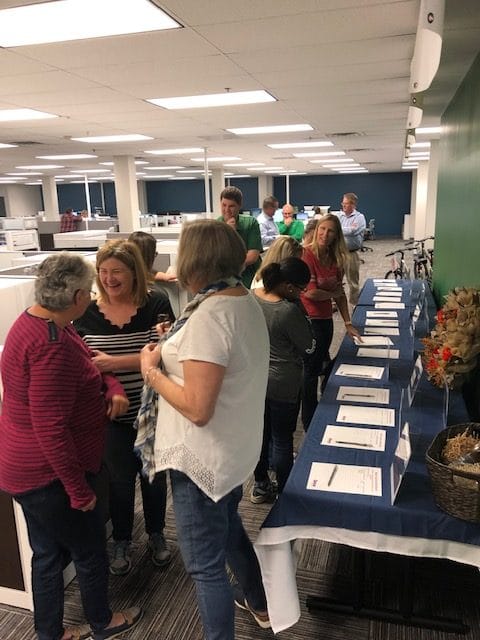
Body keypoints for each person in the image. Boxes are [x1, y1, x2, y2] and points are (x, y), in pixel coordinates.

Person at [139, 219, 270, 639]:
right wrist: (175, 344)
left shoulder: (210, 315)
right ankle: (259, 601)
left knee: (205, 567)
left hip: (201, 463)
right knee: (229, 529)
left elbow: (197, 408)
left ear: (193, 260)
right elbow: (213, 363)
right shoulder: (239, 297)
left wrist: (152, 372)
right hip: (232, 453)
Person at [0, 253, 142, 640]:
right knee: (90, 550)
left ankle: (50, 633)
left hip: (24, 470)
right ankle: (101, 622)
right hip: (50, 476)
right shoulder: (51, 345)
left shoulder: (41, 323)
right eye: (91, 288)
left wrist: (110, 387)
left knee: (46, 555)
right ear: (78, 295)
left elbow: (91, 363)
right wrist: (78, 491)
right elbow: (51, 429)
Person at [74, 240, 174, 576]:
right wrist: (126, 365)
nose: (109, 278)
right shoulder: (86, 310)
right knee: (118, 481)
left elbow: (162, 353)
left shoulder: (155, 303)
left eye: (117, 271)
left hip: (152, 410)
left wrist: (111, 363)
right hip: (109, 415)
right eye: (103, 272)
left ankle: (157, 534)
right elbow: (83, 362)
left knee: (154, 476)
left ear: (134, 272)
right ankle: (121, 539)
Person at [251, 257, 315, 502]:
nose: (302, 293)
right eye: (301, 289)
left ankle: (260, 485)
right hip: (284, 382)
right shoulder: (288, 310)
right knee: (281, 438)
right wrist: (300, 308)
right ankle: (285, 491)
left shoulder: (253, 297)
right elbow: (308, 346)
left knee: (260, 435)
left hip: (256, 379)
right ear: (289, 287)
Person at [301, 213, 361, 430]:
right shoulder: (306, 255)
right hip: (308, 321)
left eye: (330, 231)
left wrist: (347, 323)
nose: (325, 234)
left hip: (326, 320)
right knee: (310, 373)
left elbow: (341, 295)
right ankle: (309, 420)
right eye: (322, 229)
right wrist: (332, 293)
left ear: (337, 236)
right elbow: (310, 294)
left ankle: (322, 408)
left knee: (322, 366)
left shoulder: (337, 260)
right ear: (316, 230)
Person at [217, 186, 262, 287]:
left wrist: (232, 234)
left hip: (248, 278)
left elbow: (252, 256)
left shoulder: (250, 223)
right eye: (224, 205)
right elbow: (215, 257)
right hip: (224, 279)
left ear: (239, 206)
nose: (227, 210)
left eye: (231, 206)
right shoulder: (216, 226)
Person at [338, 192, 366, 306]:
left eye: (346, 204)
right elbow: (336, 229)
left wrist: (340, 229)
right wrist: (344, 229)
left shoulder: (359, 217)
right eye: (342, 203)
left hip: (351, 253)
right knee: (335, 281)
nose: (343, 206)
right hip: (338, 253)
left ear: (353, 204)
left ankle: (355, 304)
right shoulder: (338, 216)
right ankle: (337, 302)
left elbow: (353, 231)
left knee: (353, 282)